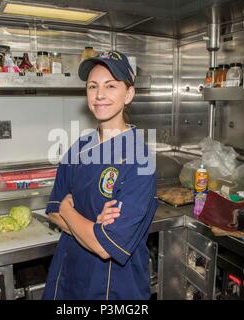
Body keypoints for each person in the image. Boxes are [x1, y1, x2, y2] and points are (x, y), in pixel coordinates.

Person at [43, 50, 158, 300]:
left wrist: (69, 210)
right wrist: (92, 227)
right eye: (92, 86)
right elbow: (52, 209)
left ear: (129, 94)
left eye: (110, 86)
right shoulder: (80, 147)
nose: (99, 95)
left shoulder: (139, 160)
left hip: (112, 287)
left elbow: (105, 247)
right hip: (68, 277)